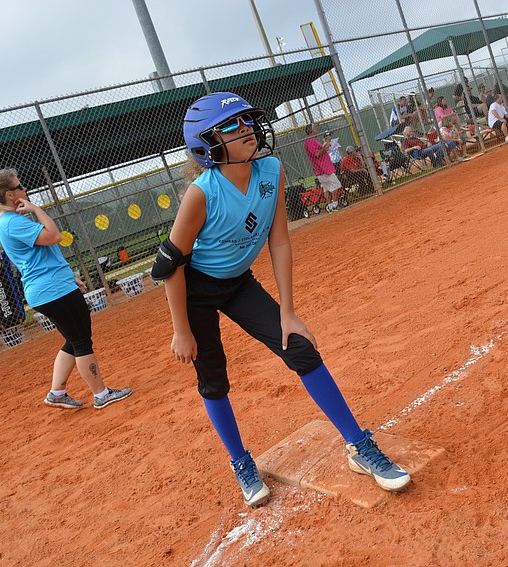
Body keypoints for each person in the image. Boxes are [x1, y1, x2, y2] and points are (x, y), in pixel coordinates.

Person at [158, 92, 410, 508]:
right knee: (214, 379)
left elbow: (278, 241)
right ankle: (240, 461)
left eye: (248, 121)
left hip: (239, 283)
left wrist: (288, 313)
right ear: (207, 144)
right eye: (232, 126)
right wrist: (181, 330)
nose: (247, 130)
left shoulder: (270, 169)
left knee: (302, 349)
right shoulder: (201, 193)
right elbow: (170, 265)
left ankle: (359, 447)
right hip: (195, 292)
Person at [0, 169, 132, 410]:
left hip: (53, 286)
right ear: (9, 194)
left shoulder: (13, 221)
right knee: (81, 341)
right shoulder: (13, 222)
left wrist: (70, 277)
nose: (24, 189)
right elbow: (54, 236)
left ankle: (57, 392)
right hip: (52, 289)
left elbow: (45, 254)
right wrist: (37, 209)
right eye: (20, 186)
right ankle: (101, 394)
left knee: (73, 339)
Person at [304, 123, 342, 213]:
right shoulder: (310, 141)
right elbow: (317, 154)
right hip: (323, 168)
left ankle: (329, 206)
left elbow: (321, 151)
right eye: (315, 128)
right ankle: (334, 204)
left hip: (323, 168)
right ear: (311, 131)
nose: (316, 130)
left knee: (326, 188)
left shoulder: (312, 140)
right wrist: (325, 146)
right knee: (335, 184)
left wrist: (326, 146)